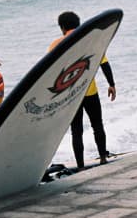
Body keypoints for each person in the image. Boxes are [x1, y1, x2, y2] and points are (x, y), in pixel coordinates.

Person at [49, 11, 116, 169]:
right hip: (89, 90)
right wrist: (111, 84)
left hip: (70, 95)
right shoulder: (90, 41)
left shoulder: (55, 45)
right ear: (79, 24)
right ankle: (103, 158)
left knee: (76, 130)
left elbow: (50, 73)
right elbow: (103, 63)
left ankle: (80, 165)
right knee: (97, 125)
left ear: (62, 27)